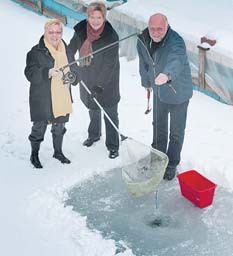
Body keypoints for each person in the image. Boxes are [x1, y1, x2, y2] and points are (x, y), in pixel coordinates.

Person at [137, 13, 193, 180]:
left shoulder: (176, 42)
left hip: (178, 93)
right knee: (158, 126)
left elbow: (176, 60)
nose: (155, 32)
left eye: (160, 29)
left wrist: (167, 75)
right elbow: (144, 63)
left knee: (175, 132)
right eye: (152, 28)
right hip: (159, 91)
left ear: (167, 27)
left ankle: (172, 163)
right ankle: (158, 157)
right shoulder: (143, 40)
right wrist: (147, 82)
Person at [69, 1, 120, 159]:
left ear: (104, 18)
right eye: (92, 17)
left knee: (109, 110)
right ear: (87, 17)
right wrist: (74, 68)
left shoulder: (111, 36)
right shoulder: (80, 31)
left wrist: (99, 85)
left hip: (107, 79)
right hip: (87, 76)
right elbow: (70, 50)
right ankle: (94, 135)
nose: (95, 21)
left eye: (99, 17)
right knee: (93, 108)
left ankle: (113, 145)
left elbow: (109, 65)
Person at [25, 19, 78, 169]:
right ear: (45, 32)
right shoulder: (35, 52)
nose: (55, 35)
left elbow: (75, 69)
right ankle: (34, 154)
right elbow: (29, 73)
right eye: (51, 32)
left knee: (59, 126)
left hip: (62, 96)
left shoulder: (67, 51)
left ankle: (58, 152)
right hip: (43, 98)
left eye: (58, 32)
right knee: (39, 127)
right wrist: (46, 72)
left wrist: (73, 76)